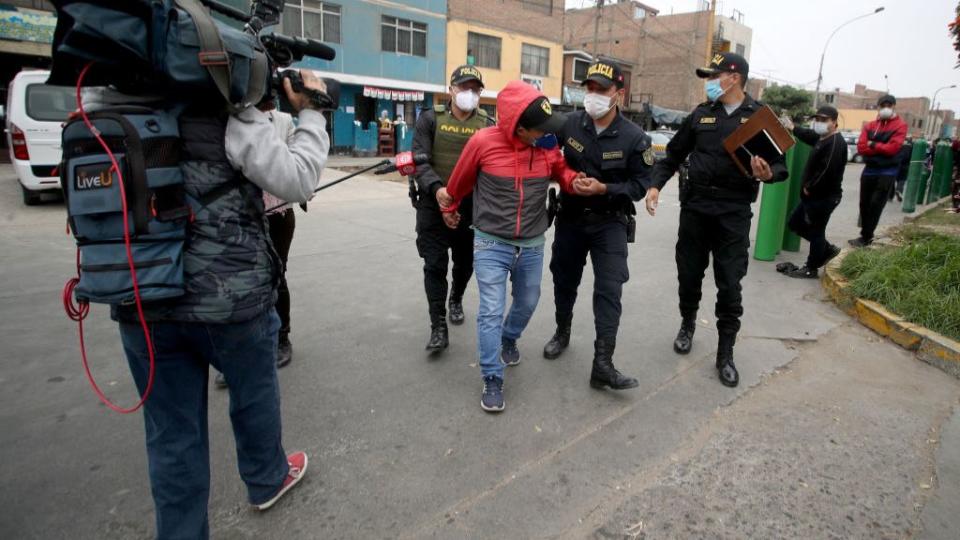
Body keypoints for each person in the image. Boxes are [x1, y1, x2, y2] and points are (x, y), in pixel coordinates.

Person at [109, 70, 329, 538]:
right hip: (227, 298)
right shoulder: (224, 112)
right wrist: (311, 111)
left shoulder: (104, 105)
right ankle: (266, 477)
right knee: (253, 391)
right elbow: (296, 180)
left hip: (137, 291)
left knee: (171, 434)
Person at [436, 80, 593, 412]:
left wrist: (572, 181)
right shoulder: (483, 142)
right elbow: (459, 183)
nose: (545, 134)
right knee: (490, 310)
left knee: (527, 302)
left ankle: (510, 337)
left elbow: (560, 170)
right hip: (491, 242)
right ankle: (492, 376)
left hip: (533, 244)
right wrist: (449, 208)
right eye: (538, 129)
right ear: (518, 127)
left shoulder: (546, 145)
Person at [646, 52, 788, 388]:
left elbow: (781, 169)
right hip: (695, 210)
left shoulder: (759, 117)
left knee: (730, 283)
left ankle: (725, 353)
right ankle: (688, 323)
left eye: (714, 75)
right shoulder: (701, 114)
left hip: (732, 214)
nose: (709, 82)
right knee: (689, 275)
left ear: (733, 77)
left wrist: (766, 174)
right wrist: (654, 185)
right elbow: (674, 154)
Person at [543, 60, 653, 390]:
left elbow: (640, 185)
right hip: (571, 218)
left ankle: (602, 363)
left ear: (618, 94)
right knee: (564, 280)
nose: (592, 95)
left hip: (610, 223)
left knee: (609, 289)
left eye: (600, 90)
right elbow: (549, 156)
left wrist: (606, 188)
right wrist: (563, 177)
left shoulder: (636, 138)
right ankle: (562, 332)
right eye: (588, 88)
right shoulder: (569, 124)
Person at [215, 100, 298, 389]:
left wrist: (298, 185)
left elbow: (294, 161)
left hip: (279, 213)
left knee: (277, 275)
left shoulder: (285, 121)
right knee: (237, 282)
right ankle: (236, 355)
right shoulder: (228, 116)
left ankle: (281, 339)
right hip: (240, 214)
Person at [411, 65, 491, 352]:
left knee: (465, 262)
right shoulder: (430, 119)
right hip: (434, 202)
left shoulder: (487, 123)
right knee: (434, 264)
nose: (468, 93)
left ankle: (456, 298)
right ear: (451, 89)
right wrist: (439, 190)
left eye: (475, 89)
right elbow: (420, 161)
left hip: (471, 205)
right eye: (463, 87)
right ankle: (438, 327)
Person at [778, 105, 847, 279]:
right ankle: (826, 249)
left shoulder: (835, 143)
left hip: (823, 197)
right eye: (817, 119)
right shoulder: (822, 138)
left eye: (824, 120)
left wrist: (810, 187)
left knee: (816, 231)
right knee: (795, 223)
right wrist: (793, 128)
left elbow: (826, 171)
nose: (819, 123)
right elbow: (809, 136)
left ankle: (811, 267)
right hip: (813, 197)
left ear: (834, 122)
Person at [850, 94, 907, 247]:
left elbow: (893, 148)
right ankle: (864, 234)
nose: (886, 108)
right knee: (864, 203)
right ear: (878, 107)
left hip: (887, 171)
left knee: (876, 204)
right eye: (883, 105)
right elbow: (862, 147)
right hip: (870, 169)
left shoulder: (900, 126)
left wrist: (873, 145)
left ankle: (867, 236)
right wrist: (880, 147)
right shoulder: (870, 126)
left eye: (889, 105)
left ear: (894, 106)